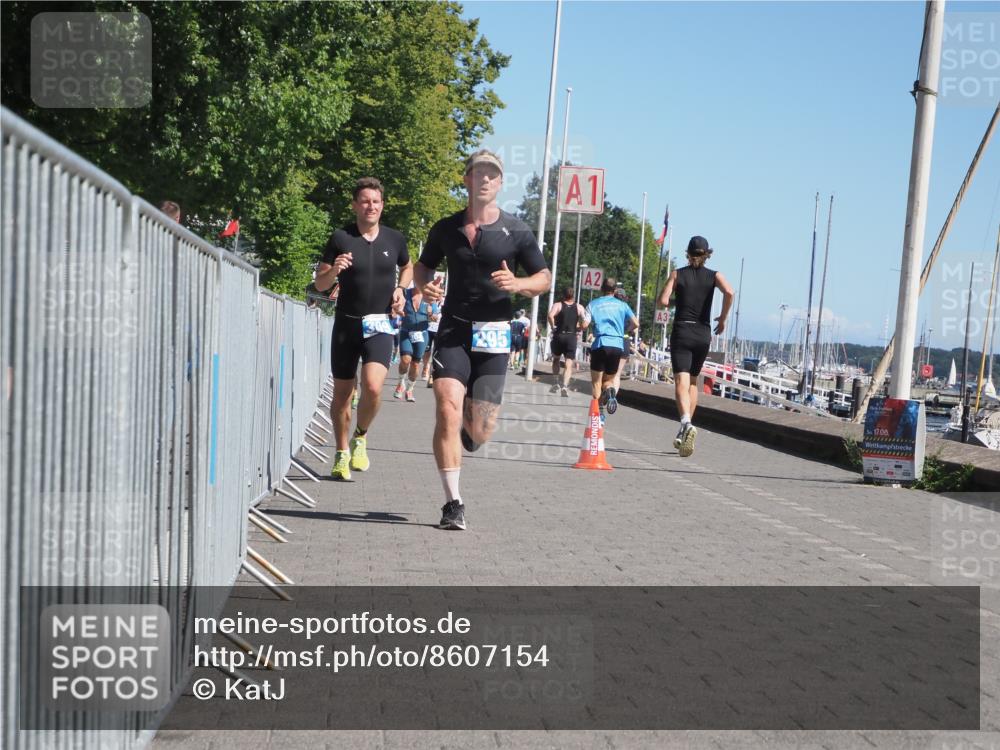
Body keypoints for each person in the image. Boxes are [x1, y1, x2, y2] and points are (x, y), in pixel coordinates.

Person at [414, 149, 550, 530]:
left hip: (494, 334)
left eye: (492, 174)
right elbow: (423, 267)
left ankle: (467, 435)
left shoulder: (516, 231)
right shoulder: (446, 228)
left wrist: (518, 284)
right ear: (467, 180)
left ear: (501, 182)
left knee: (480, 430)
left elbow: (544, 278)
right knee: (447, 407)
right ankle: (452, 503)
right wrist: (425, 286)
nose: (485, 179)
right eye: (478, 173)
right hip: (453, 329)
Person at [313, 177, 411, 480]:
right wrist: (335, 270)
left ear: (382, 205)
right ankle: (341, 452)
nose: (371, 206)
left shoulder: (394, 239)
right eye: (365, 201)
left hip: (379, 324)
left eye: (376, 201)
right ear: (355, 205)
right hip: (347, 324)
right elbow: (320, 284)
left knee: (372, 386)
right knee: (342, 394)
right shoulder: (341, 238)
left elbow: (407, 266)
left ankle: (361, 435)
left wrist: (401, 289)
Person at [658, 235, 734, 457]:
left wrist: (677, 300)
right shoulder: (714, 275)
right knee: (692, 382)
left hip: (682, 330)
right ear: (707, 254)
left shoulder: (677, 274)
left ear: (688, 253)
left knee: (680, 381)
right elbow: (730, 292)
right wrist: (723, 318)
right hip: (703, 333)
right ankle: (685, 430)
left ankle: (686, 423)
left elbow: (663, 301)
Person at [586, 277, 638, 423]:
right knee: (608, 380)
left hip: (600, 344)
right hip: (617, 345)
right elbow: (636, 323)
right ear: (615, 290)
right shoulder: (623, 305)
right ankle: (610, 392)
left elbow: (584, 324)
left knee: (596, 382)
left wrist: (581, 324)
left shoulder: (593, 304)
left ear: (601, 288)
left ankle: (600, 415)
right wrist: (625, 330)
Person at [394, 285, 435, 402]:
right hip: (406, 332)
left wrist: (431, 314)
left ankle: (410, 389)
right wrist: (398, 311)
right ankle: (400, 383)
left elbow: (435, 318)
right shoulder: (405, 294)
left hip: (422, 334)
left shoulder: (429, 297)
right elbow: (396, 309)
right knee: (405, 360)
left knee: (415, 364)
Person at [548, 286, 588, 397]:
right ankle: (565, 386)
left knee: (556, 359)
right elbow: (585, 322)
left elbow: (550, 316)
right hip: (571, 337)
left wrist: (553, 326)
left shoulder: (558, 305)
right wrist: (580, 327)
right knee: (569, 363)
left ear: (563, 295)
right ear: (573, 295)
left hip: (559, 335)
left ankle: (556, 382)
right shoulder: (579, 307)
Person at [420, 275, 444, 387]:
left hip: (440, 330)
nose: (436, 293)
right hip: (428, 329)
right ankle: (425, 366)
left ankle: (431, 376)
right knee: (427, 352)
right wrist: (429, 313)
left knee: (436, 354)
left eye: (438, 291)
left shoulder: (445, 302)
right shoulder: (427, 301)